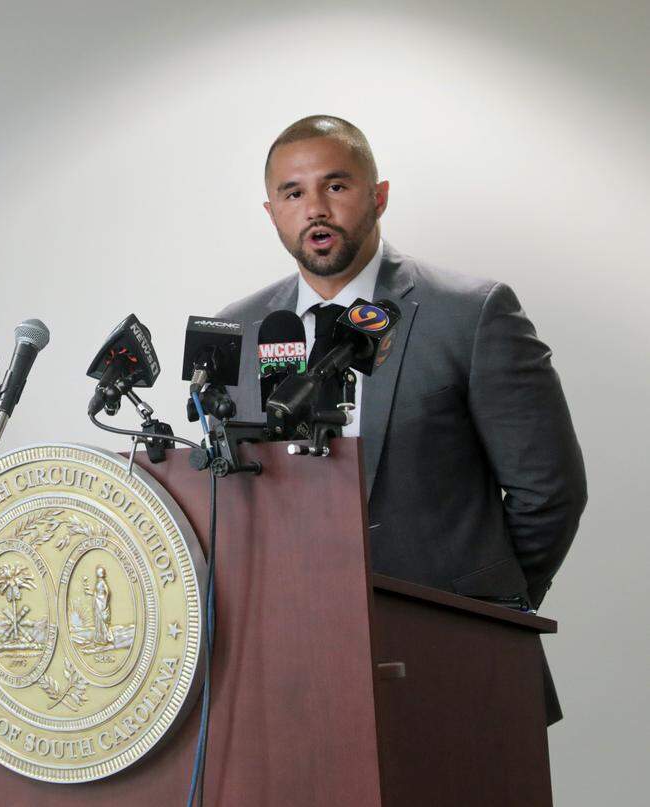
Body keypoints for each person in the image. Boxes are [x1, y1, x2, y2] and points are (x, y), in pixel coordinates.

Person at [217, 115, 586, 723]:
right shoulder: (241, 328)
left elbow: (549, 490)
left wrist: (482, 602)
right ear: (272, 212)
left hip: (460, 655)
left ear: (379, 195)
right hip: (292, 672)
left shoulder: (471, 313)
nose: (315, 208)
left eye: (336, 186)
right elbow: (232, 501)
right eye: (293, 193)